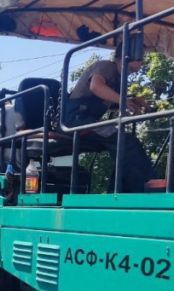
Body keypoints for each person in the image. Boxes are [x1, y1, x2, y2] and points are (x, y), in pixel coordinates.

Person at [64, 42, 155, 192]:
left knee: (126, 144)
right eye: (141, 57)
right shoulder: (106, 66)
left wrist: (131, 101)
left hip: (88, 120)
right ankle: (141, 190)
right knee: (126, 142)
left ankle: (119, 191)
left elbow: (111, 103)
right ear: (129, 55)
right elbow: (96, 87)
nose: (143, 62)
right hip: (77, 120)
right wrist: (123, 100)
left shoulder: (118, 77)